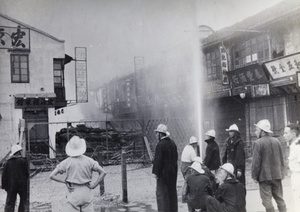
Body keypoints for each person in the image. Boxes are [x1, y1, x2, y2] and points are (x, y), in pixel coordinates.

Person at [50, 136, 106, 212]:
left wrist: (65, 182)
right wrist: (94, 185)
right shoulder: (89, 160)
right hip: (86, 190)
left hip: (73, 191)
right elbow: (103, 172)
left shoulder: (66, 162)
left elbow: (52, 175)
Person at [251, 119, 286, 212]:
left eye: (257, 130)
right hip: (277, 176)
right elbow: (282, 158)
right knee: (280, 199)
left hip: (264, 177)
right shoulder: (277, 141)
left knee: (267, 201)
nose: (255, 132)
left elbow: (256, 162)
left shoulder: (257, 143)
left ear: (262, 131)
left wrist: (254, 176)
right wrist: (282, 173)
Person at [152, 123, 178, 212]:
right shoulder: (173, 143)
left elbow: (158, 161)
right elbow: (176, 158)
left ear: (160, 134)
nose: (156, 135)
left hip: (163, 175)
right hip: (172, 174)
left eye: (157, 133)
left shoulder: (160, 145)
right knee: (172, 195)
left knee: (162, 197)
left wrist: (156, 173)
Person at [1, 144, 29, 212]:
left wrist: (4, 186)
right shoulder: (24, 161)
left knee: (10, 202)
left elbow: (4, 176)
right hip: (22, 185)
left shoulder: (7, 162)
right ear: (18, 152)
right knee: (23, 202)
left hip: (11, 185)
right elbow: (27, 174)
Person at [283, 123, 300, 212]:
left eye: (286, 133)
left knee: (298, 202)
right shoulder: (294, 145)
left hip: (298, 176)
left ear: (293, 134)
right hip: (295, 175)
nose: (284, 135)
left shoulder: (297, 146)